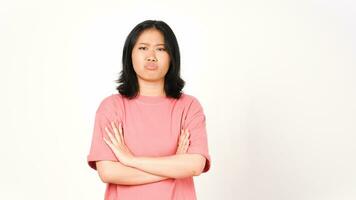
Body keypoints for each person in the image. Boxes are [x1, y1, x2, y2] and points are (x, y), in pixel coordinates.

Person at [87, 19, 211, 200]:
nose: (151, 56)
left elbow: (194, 165)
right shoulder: (111, 107)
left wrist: (131, 161)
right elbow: (108, 172)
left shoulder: (189, 107)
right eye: (143, 48)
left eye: (161, 49)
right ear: (130, 54)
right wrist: (174, 166)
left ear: (172, 56)